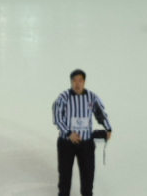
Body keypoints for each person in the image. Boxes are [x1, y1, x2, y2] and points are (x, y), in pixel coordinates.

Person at [52, 68, 110, 196]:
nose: (77, 84)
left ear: (84, 81)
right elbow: (57, 117)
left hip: (86, 144)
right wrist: (68, 133)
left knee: (88, 176)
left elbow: (100, 113)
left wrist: (108, 127)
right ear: (71, 82)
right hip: (66, 144)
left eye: (80, 80)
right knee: (65, 176)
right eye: (74, 81)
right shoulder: (63, 97)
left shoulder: (91, 97)